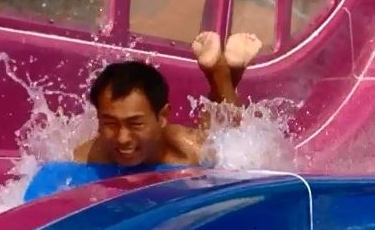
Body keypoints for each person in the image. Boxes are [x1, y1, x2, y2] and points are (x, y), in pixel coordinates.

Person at [72, 31, 262, 168]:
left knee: (223, 135)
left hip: (188, 146)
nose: (122, 138)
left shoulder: (188, 151)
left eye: (135, 124)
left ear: (162, 116)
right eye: (110, 123)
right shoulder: (88, 158)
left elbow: (238, 152)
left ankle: (220, 73)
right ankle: (231, 70)